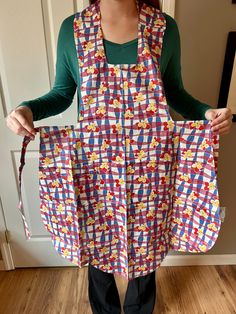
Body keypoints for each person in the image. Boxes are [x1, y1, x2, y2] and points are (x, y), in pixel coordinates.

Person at [5, 0, 233, 313]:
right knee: (98, 235)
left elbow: (176, 93)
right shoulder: (73, 29)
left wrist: (208, 114)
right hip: (93, 166)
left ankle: (141, 308)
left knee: (146, 239)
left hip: (151, 167)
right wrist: (25, 109)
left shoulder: (164, 28)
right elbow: (61, 93)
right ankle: (105, 309)